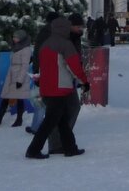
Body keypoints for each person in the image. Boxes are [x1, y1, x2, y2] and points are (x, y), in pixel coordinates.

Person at [25, 16, 89, 159]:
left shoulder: (46, 43)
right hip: (60, 87)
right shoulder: (65, 44)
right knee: (51, 121)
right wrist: (84, 81)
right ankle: (33, 149)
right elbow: (74, 66)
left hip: (48, 87)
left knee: (62, 120)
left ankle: (70, 148)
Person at [48, 14, 87, 155]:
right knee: (63, 111)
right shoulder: (65, 38)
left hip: (67, 79)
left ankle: (61, 142)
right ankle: (58, 144)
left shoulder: (74, 38)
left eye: (81, 26)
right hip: (61, 79)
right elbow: (69, 61)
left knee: (69, 110)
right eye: (78, 26)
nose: (81, 29)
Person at [0, 29, 33, 127]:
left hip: (19, 76)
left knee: (19, 98)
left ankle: (19, 120)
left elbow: (25, 65)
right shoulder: (16, 48)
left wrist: (20, 80)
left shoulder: (26, 49)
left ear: (21, 38)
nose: (14, 39)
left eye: (16, 37)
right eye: (14, 37)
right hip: (11, 75)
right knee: (6, 96)